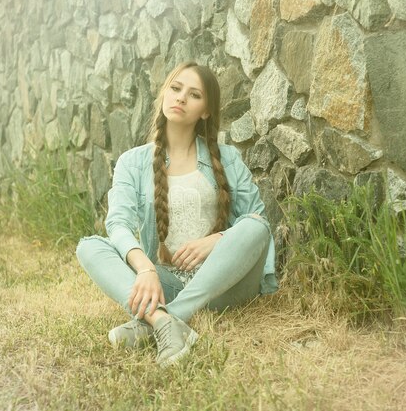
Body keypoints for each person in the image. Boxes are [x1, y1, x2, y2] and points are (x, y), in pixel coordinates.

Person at [76, 61, 277, 367]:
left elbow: (257, 222)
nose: (181, 97)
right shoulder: (133, 162)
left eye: (194, 94)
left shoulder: (228, 158)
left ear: (205, 111)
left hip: (225, 284)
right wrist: (146, 270)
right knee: (90, 246)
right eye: (176, 88)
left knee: (257, 227)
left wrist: (217, 240)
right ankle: (166, 322)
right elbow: (118, 224)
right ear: (165, 94)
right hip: (164, 282)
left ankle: (158, 320)